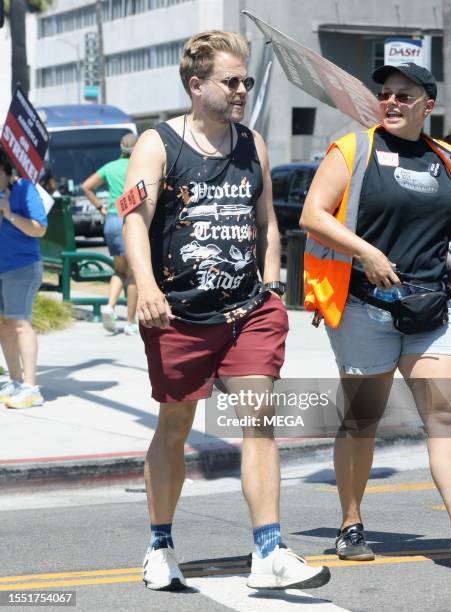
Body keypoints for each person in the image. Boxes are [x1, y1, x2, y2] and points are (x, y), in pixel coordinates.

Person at [123, 30, 330, 591]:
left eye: (247, 81)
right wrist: (145, 285)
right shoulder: (157, 143)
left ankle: (269, 549)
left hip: (247, 310)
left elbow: (267, 220)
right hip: (179, 314)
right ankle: (160, 544)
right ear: (196, 85)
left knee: (259, 421)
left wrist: (271, 284)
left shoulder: (252, 144)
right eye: (230, 81)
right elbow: (134, 220)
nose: (242, 89)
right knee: (175, 423)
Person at [300, 63, 451, 567]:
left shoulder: (447, 162)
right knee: (363, 420)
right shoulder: (354, 150)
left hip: (430, 309)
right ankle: (350, 523)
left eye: (403, 96)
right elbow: (313, 215)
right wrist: (366, 252)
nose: (390, 102)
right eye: (385, 94)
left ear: (427, 107)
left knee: (446, 415)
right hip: (365, 309)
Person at [0, 147, 47, 409]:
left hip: (22, 267)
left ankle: (31, 387)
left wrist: (9, 213)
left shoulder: (25, 189)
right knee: (4, 325)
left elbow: (39, 229)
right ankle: (15, 381)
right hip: (1, 268)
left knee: (19, 324)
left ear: (5, 171)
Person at [81, 133, 139, 335]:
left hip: (112, 220)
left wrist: (100, 208)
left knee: (120, 270)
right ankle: (130, 323)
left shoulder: (110, 166)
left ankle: (110, 306)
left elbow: (86, 186)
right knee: (133, 274)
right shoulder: (138, 166)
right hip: (130, 220)